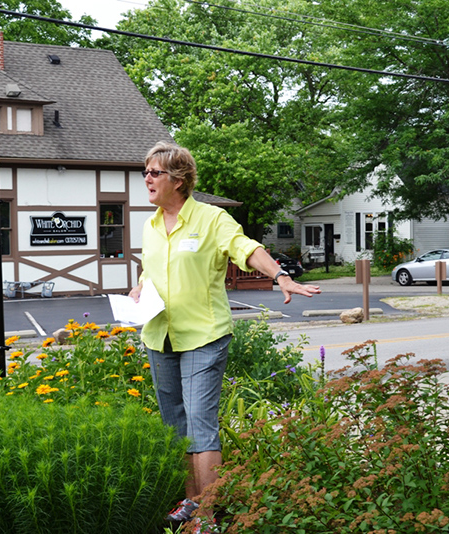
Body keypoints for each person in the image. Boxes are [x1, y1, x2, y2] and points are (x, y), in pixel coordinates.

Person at [129, 142, 320, 531]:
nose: (146, 178)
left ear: (179, 180)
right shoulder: (149, 226)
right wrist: (138, 288)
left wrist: (279, 274)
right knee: (175, 426)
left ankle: (208, 516)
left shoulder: (212, 219)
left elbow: (246, 249)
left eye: (154, 172)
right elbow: (153, 272)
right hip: (160, 336)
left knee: (200, 422)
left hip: (203, 335)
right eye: (145, 172)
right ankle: (190, 505)